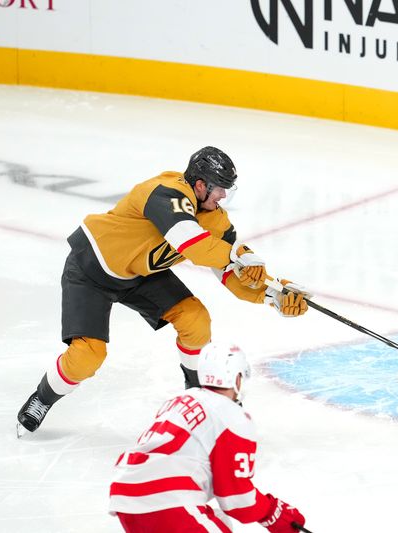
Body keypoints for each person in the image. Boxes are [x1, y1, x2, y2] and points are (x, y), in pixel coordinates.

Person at [17, 146, 310, 435]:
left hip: (141, 275)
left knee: (195, 319)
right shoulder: (164, 192)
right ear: (199, 184)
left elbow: (232, 275)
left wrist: (273, 292)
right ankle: (42, 398)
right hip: (91, 268)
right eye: (220, 188)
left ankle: (196, 393)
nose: (223, 196)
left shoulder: (216, 220)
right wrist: (236, 253)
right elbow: (193, 245)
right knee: (87, 356)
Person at [109, 342, 306, 533]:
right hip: (168, 500)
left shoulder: (180, 400)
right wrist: (274, 513)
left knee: (219, 521)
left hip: (126, 497)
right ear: (236, 378)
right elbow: (236, 498)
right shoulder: (232, 417)